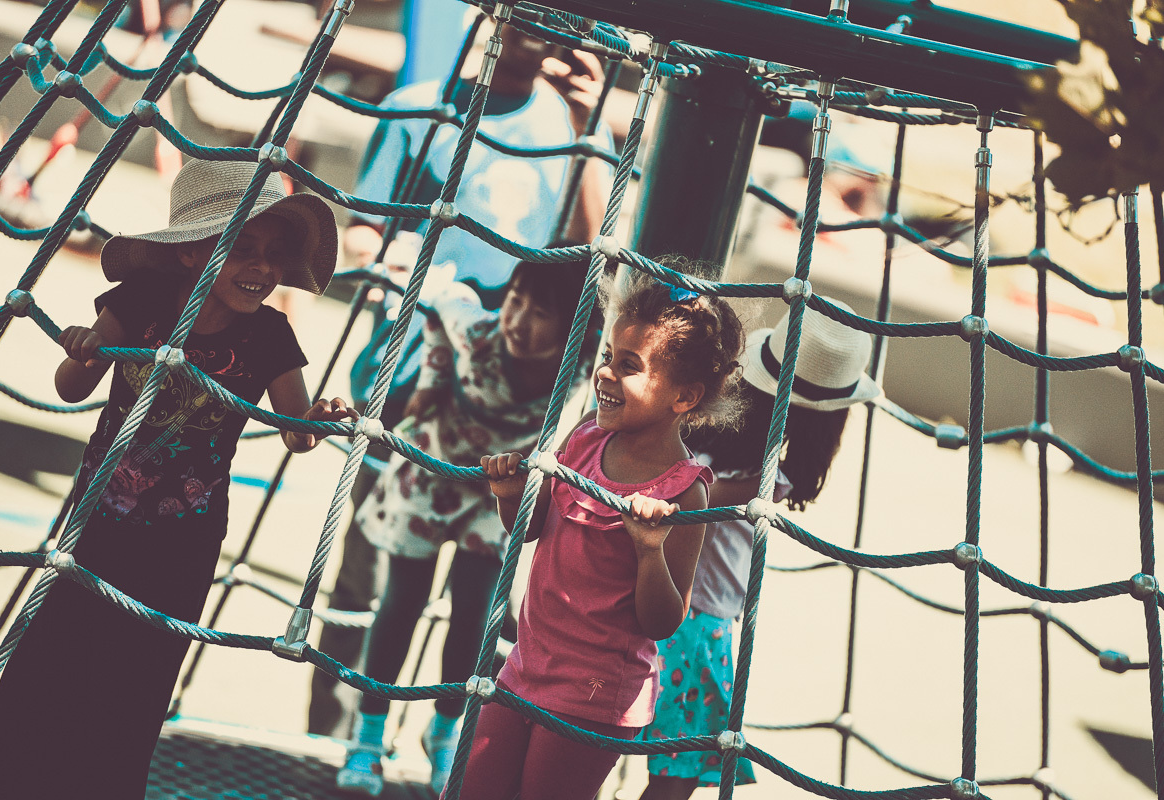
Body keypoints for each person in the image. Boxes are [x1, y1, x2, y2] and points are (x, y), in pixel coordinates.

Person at [0, 159, 358, 799]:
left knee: (138, 678)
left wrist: (318, 416)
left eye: (273, 254)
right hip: (97, 523)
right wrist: (83, 347)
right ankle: (12, 783)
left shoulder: (270, 335)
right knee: (55, 656)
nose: (261, 267)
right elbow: (71, 388)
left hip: (185, 541)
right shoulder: (141, 305)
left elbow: (296, 432)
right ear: (190, 253)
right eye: (241, 248)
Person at [310, 18, 612, 738]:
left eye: (551, 18)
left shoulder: (570, 129)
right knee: (370, 565)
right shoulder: (423, 106)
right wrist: (387, 257)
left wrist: (589, 129)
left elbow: (594, 260)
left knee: (484, 587)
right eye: (518, 13)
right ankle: (334, 731)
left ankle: (452, 732)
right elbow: (366, 225)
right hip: (411, 372)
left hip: (511, 399)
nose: (531, 29)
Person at [463, 261, 746, 800]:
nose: (607, 375)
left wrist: (648, 551)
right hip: (526, 663)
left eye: (630, 367)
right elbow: (531, 527)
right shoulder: (587, 436)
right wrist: (510, 496)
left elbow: (663, 621)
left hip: (596, 693)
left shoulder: (685, 490)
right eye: (609, 358)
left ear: (683, 397)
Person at [335, 251, 598, 795]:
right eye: (516, 301)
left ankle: (446, 729)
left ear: (573, 324)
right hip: (437, 463)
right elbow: (436, 304)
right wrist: (433, 373)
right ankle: (368, 731)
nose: (518, 321)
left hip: (494, 491)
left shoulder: (581, 362)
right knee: (402, 602)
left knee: (476, 613)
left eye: (539, 312)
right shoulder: (477, 330)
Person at [638, 298, 881, 800]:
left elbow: (693, 497)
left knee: (672, 773)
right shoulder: (704, 435)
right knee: (611, 742)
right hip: (653, 599)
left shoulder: (772, 480)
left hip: (696, 621)